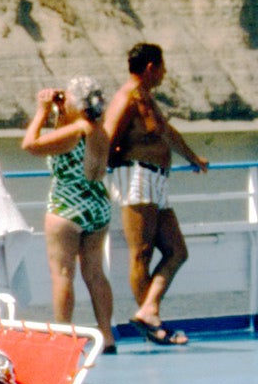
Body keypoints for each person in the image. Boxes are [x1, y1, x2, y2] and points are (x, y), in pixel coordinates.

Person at [104, 42, 208, 346]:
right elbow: (109, 137)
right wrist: (113, 166)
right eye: (162, 66)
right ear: (151, 67)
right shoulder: (126, 98)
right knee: (142, 252)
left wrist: (192, 157)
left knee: (177, 251)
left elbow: (167, 133)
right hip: (137, 175)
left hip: (157, 179)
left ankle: (148, 310)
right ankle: (153, 324)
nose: (164, 73)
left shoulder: (146, 97)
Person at [22, 77, 118, 353]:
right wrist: (61, 112)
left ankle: (63, 336)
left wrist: (41, 111)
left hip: (67, 204)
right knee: (95, 272)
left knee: (63, 274)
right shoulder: (98, 129)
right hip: (97, 204)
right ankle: (107, 335)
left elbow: (31, 144)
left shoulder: (76, 130)